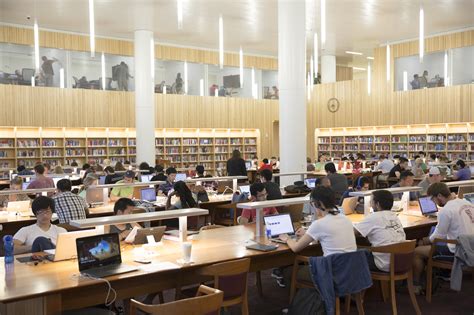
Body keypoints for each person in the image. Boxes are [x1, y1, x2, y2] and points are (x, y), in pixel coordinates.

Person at [279, 186, 357, 281]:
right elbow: (330, 236)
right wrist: (308, 233)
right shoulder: (345, 219)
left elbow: (296, 248)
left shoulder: (319, 224)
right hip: (350, 271)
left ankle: (317, 293)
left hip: (331, 273)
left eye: (312, 203)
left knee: (288, 272)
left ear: (318, 203)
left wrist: (287, 238)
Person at [413, 183, 474, 293]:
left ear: (440, 196)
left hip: (460, 251)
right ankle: (437, 275)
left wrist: (423, 241)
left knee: (417, 251)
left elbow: (437, 237)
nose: (434, 203)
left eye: (433, 200)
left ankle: (415, 286)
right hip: (471, 246)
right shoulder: (467, 203)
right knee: (430, 239)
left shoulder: (446, 210)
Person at [354, 190, 406, 272]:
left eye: (371, 201)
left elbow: (353, 232)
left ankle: (365, 284)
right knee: (363, 251)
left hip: (384, 263)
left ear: (377, 204)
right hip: (401, 260)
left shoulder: (374, 217)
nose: (370, 204)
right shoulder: (394, 216)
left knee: (351, 255)